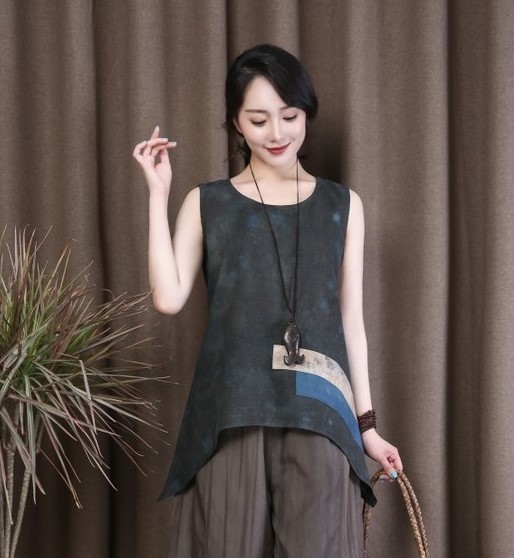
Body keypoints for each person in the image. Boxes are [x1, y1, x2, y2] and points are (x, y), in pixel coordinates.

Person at [133, 43, 403, 558]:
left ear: (307, 115)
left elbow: (351, 321)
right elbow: (168, 298)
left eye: (290, 116)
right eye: (258, 120)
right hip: (231, 412)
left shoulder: (343, 206)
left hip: (321, 414)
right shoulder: (206, 202)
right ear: (236, 123)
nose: (277, 133)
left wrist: (367, 427)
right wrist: (157, 194)